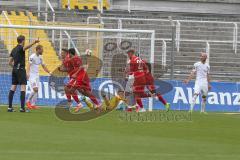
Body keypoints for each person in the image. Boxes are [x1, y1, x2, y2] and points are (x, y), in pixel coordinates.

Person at [8, 35, 39, 112]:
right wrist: (34, 42)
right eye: (24, 41)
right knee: (23, 88)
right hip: (21, 69)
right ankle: (22, 108)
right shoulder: (20, 48)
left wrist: (15, 67)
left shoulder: (13, 49)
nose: (25, 42)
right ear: (22, 41)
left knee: (13, 87)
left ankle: (10, 107)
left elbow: (9, 62)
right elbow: (25, 48)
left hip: (14, 70)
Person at [26, 45, 51, 110]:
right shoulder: (32, 56)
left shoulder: (40, 57)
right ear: (38, 50)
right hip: (32, 75)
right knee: (35, 89)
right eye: (42, 50)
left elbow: (43, 66)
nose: (43, 51)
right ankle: (28, 101)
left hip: (37, 75)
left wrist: (49, 72)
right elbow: (28, 65)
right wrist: (27, 73)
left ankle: (33, 104)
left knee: (36, 91)